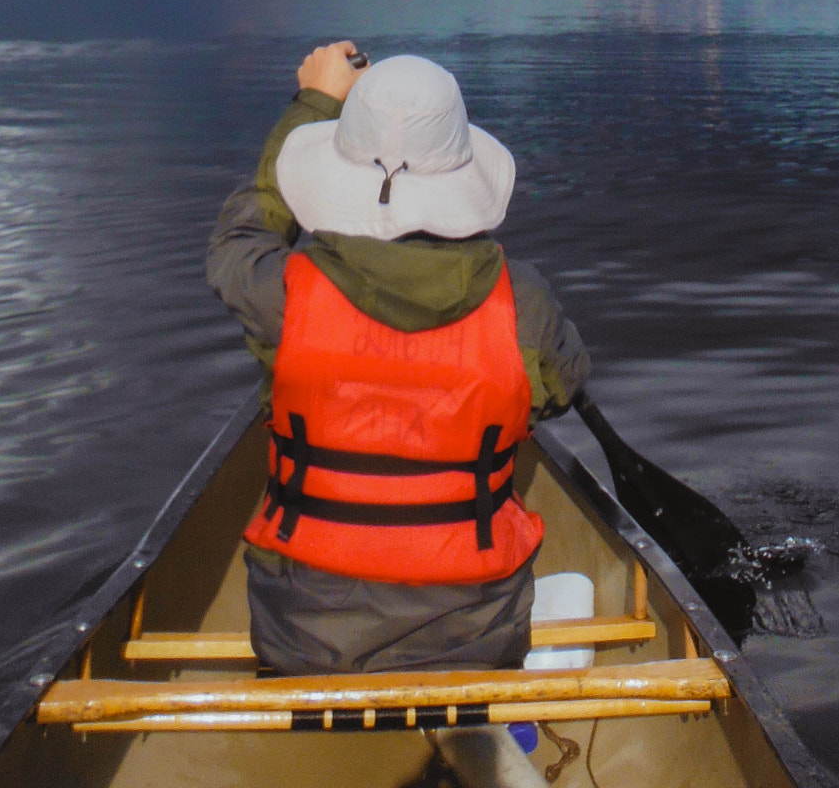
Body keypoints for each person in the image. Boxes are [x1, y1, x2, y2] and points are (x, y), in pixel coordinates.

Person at [206, 39, 589, 675]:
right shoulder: (524, 302)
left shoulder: (284, 297)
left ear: (335, 173)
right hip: (478, 637)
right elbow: (561, 389)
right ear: (461, 175)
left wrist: (315, 103)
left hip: (301, 638)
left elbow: (238, 242)